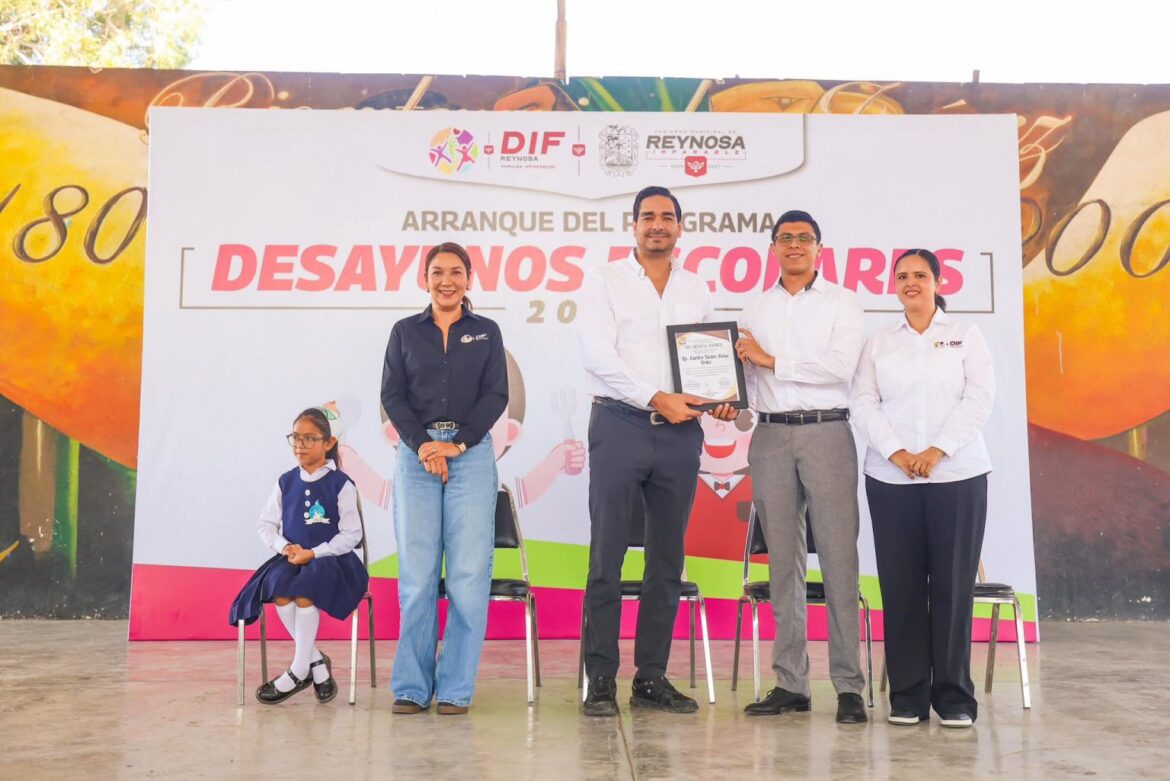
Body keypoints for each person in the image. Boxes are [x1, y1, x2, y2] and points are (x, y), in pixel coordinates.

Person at [577, 185, 736, 717]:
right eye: (648, 216)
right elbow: (597, 356)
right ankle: (600, 678)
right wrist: (655, 397)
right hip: (619, 425)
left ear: (680, 227)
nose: (657, 224)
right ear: (634, 225)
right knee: (606, 556)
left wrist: (719, 400)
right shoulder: (604, 280)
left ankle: (651, 678)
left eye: (667, 216)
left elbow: (705, 361)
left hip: (680, 434)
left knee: (666, 560)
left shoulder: (695, 287)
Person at [850, 248, 995, 729]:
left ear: (938, 281)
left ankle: (954, 698)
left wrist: (937, 450)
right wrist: (896, 452)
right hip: (891, 478)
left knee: (953, 586)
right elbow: (863, 401)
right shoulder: (879, 342)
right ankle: (908, 697)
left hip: (957, 475)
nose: (910, 282)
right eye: (902, 276)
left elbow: (980, 398)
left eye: (920, 275)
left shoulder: (964, 334)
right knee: (901, 586)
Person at [735, 210, 869, 724]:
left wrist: (770, 360)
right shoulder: (755, 307)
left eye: (804, 238)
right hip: (770, 435)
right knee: (782, 563)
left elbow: (839, 368)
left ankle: (848, 686)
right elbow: (749, 382)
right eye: (785, 238)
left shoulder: (842, 302)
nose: (794, 245)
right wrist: (728, 399)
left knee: (838, 557)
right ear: (773, 247)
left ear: (819, 248)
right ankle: (791, 683)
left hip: (827, 431)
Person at [380, 241, 508, 715]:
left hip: (470, 456)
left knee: (468, 577)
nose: (446, 280)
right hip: (416, 458)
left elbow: (496, 395)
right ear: (425, 279)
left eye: (456, 272)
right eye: (437, 272)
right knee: (417, 576)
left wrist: (458, 444)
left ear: (469, 279)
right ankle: (412, 686)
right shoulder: (404, 331)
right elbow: (392, 396)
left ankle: (455, 688)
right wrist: (424, 445)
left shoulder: (487, 332)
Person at [228, 406, 369, 705]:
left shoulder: (341, 484)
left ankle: (298, 669)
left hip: (332, 561)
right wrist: (285, 547)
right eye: (296, 438)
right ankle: (315, 663)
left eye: (309, 439)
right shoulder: (285, 482)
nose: (300, 445)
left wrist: (314, 552)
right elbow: (265, 525)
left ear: (329, 443)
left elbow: (352, 535)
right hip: (292, 558)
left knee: (304, 591)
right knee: (279, 587)